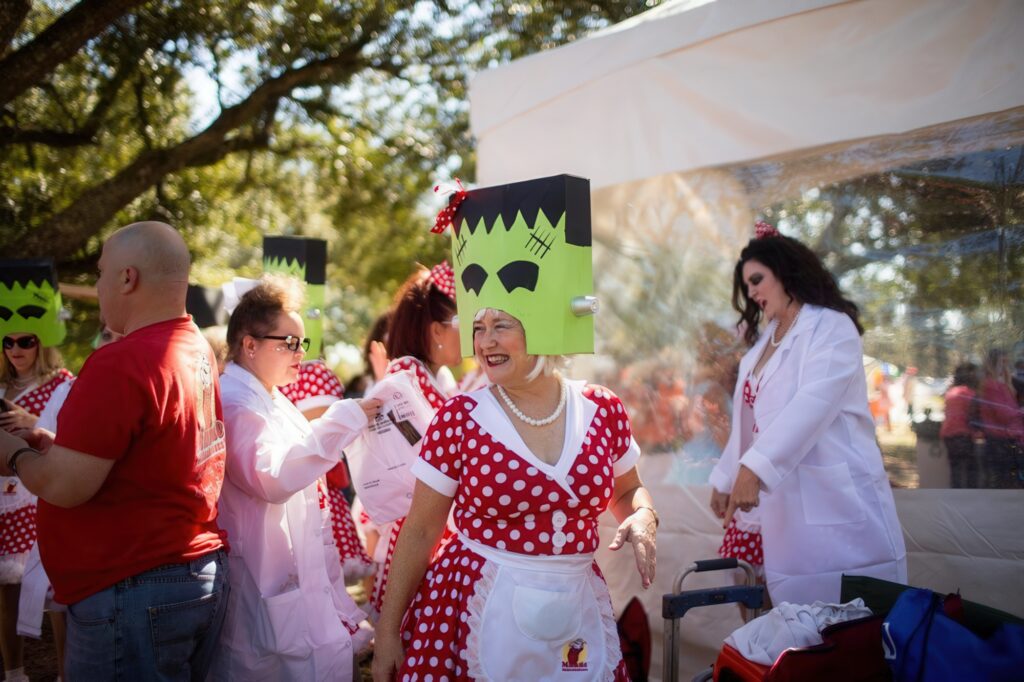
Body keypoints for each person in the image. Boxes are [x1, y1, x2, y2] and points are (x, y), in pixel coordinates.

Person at [373, 173, 657, 681]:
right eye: (478, 327)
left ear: (544, 324)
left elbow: (630, 490)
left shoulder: (603, 409)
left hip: (575, 612)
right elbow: (420, 530)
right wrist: (390, 630)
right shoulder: (460, 419)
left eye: (501, 324)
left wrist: (642, 516)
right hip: (472, 611)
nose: (485, 342)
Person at [0, 221, 230, 680]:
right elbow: (152, 451)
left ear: (128, 278)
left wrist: (11, 453)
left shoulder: (122, 360)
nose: (97, 286)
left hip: (133, 590)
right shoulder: (194, 346)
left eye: (101, 272)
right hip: (187, 575)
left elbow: (64, 488)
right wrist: (54, 446)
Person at [708, 221, 906, 606]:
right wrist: (727, 475)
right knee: (777, 621)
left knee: (846, 630)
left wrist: (754, 469)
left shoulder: (831, 327)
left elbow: (811, 406)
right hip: (777, 505)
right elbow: (750, 420)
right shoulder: (765, 342)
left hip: (834, 505)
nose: (751, 292)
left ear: (785, 271)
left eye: (757, 279)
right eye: (747, 285)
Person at [212, 276, 381, 680]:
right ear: (249, 345)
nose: (300, 353)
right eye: (288, 343)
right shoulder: (237, 403)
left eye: (302, 343)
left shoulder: (269, 395)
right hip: (259, 583)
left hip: (287, 580)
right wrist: (343, 418)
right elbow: (273, 477)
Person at [16, 323, 122, 682]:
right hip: (65, 509)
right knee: (61, 601)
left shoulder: (130, 385)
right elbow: (49, 444)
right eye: (103, 334)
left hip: (110, 524)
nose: (104, 340)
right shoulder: (68, 388)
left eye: (112, 334)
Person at [364, 262, 462, 620]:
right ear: (437, 329)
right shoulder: (403, 385)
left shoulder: (432, 379)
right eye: (463, 323)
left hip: (430, 530)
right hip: (418, 535)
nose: (472, 335)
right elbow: (417, 468)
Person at [0, 258, 74, 682]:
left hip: (44, 498)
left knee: (57, 598)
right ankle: (14, 673)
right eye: (8, 342)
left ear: (41, 340)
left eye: (25, 340)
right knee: (6, 593)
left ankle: (67, 675)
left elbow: (78, 443)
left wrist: (34, 425)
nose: (16, 350)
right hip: (4, 501)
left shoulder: (64, 384)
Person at [977, 348, 1024, 488]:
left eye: (1007, 363)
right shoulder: (991, 385)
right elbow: (1004, 414)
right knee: (1005, 486)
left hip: (1010, 441)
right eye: (1002, 362)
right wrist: (1020, 412)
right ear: (992, 364)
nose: (1005, 367)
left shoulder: (1004, 385)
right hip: (1001, 443)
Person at [941, 363, 980, 489]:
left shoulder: (950, 393)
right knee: (971, 470)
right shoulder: (969, 394)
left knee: (955, 469)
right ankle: (970, 499)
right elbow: (973, 417)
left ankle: (956, 497)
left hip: (948, 434)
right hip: (963, 434)